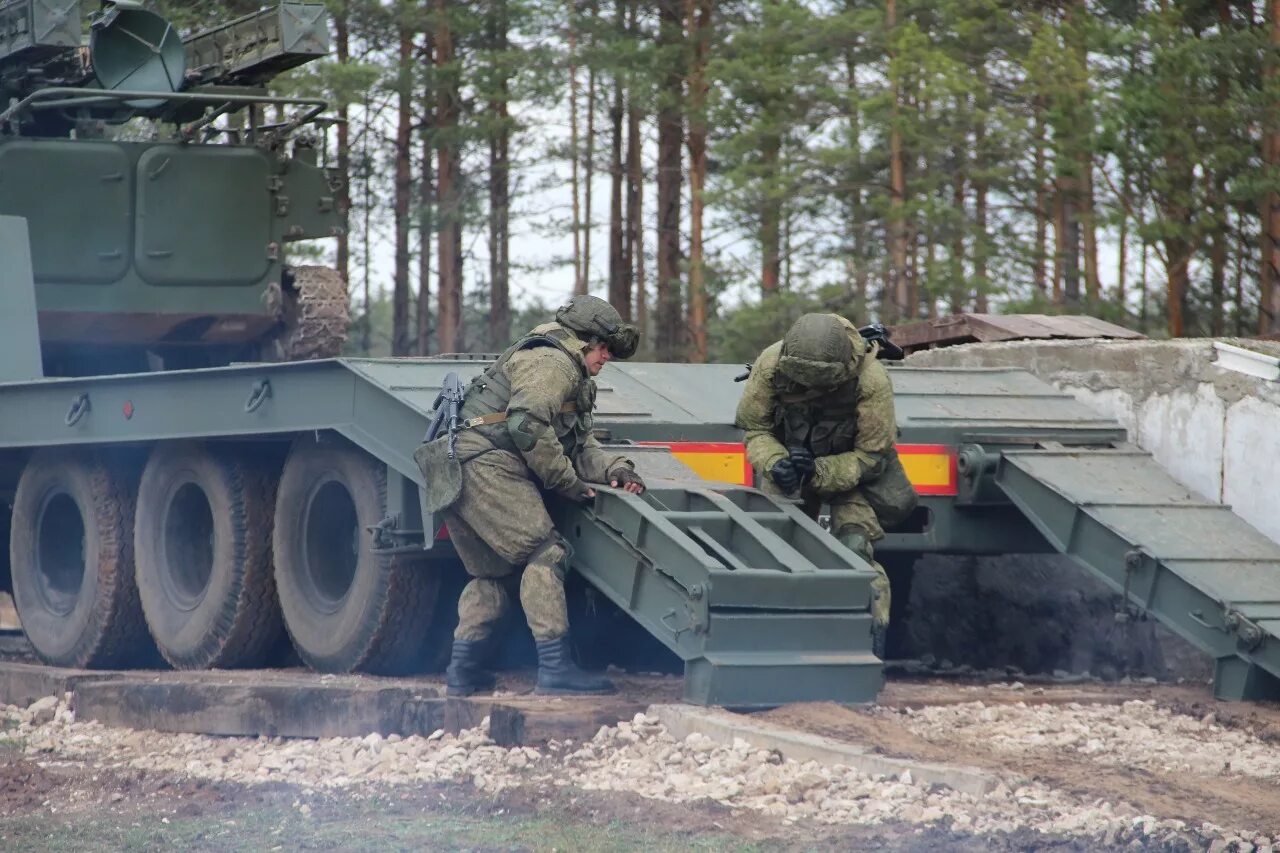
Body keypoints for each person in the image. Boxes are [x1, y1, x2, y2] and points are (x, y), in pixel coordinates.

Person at [423, 295, 646, 697]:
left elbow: (578, 445)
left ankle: (463, 670)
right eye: (604, 349)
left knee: (493, 575)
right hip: (487, 464)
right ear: (585, 340)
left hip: (457, 469)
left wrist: (615, 469)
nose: (606, 358)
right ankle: (556, 668)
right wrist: (567, 483)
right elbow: (527, 426)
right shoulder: (552, 362)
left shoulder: (560, 366)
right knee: (547, 553)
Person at [734, 313, 918, 656]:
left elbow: (871, 456)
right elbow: (755, 430)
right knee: (771, 550)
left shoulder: (871, 380)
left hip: (853, 477)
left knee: (854, 552)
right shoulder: (770, 365)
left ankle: (864, 648)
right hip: (788, 467)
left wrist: (818, 471)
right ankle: (769, 648)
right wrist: (777, 464)